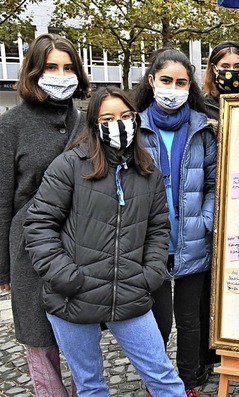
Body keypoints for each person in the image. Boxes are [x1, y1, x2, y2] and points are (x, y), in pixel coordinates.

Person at [22, 86, 185, 396]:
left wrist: (150, 274)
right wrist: (65, 276)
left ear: (136, 120)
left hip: (130, 293)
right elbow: (39, 224)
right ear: (94, 123)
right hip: (73, 296)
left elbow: (158, 228)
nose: (118, 123)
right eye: (108, 117)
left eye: (125, 116)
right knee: (90, 385)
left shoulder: (148, 171)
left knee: (163, 377)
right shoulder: (69, 165)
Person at [0, 33, 90, 396]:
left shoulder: (85, 121)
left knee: (82, 343)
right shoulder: (12, 125)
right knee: (40, 343)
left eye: (68, 67)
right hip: (30, 251)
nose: (61, 74)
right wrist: (3, 268)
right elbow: (1, 199)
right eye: (51, 66)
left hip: (83, 245)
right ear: (34, 71)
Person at [132, 48, 216, 397]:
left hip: (193, 239)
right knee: (158, 322)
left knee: (190, 321)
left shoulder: (202, 128)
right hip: (150, 244)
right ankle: (158, 383)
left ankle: (190, 382)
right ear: (151, 81)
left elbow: (213, 183)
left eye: (181, 82)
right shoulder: (134, 126)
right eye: (166, 80)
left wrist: (206, 220)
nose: (173, 88)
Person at [197, 40, 239, 381]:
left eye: (237, 67)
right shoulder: (199, 108)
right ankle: (205, 355)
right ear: (212, 70)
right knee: (207, 284)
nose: (231, 72)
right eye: (225, 66)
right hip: (210, 203)